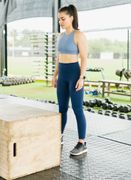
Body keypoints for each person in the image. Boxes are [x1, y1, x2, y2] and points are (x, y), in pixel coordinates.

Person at [52, 4, 88, 156]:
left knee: (78, 109)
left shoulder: (78, 35)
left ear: (71, 18)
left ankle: (82, 142)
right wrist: (54, 76)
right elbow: (58, 58)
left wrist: (81, 77)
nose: (60, 22)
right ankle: (59, 136)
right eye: (59, 19)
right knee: (62, 108)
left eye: (63, 19)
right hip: (62, 76)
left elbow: (85, 58)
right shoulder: (61, 36)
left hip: (74, 74)